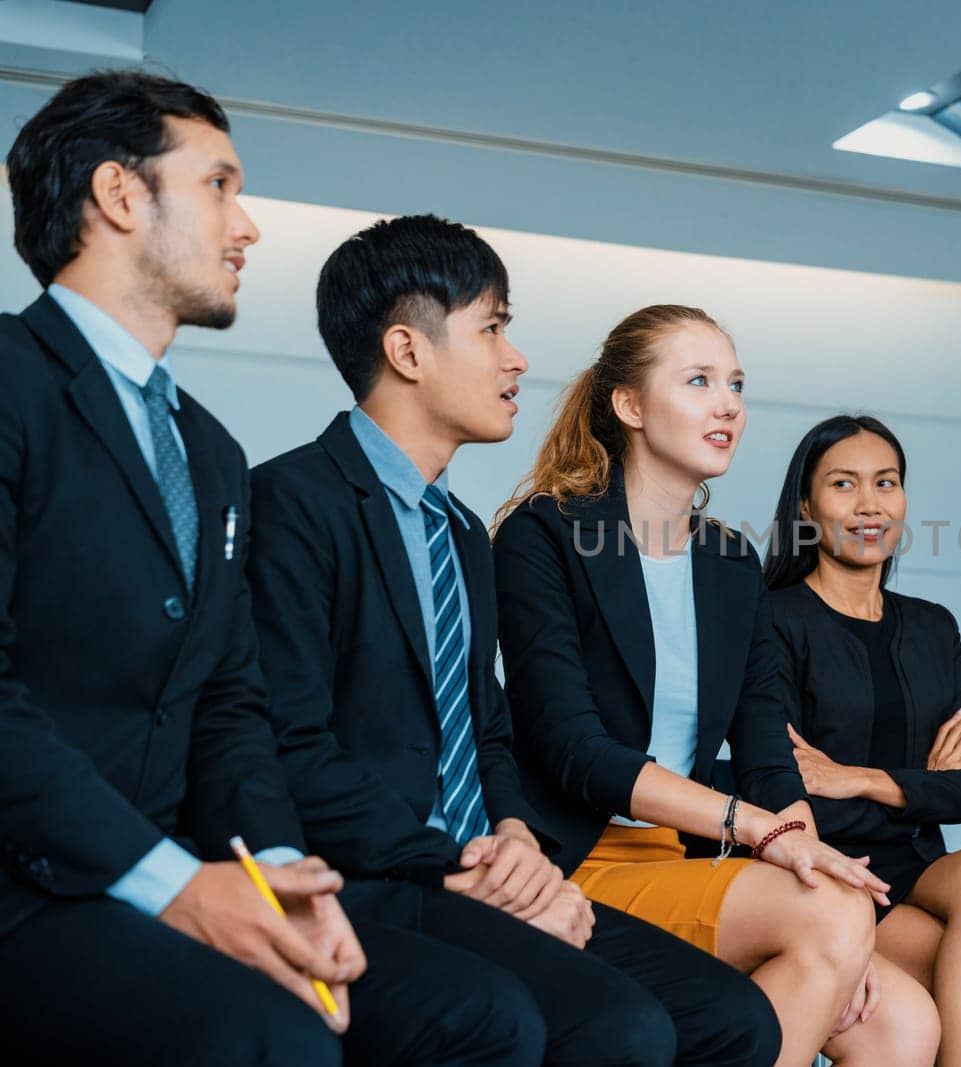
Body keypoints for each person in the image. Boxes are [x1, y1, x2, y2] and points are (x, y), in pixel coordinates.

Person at [0, 72, 538, 1063]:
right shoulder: (11, 383)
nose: (245, 226)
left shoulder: (206, 450)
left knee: (483, 1017)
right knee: (278, 1039)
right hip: (33, 884)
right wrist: (179, 882)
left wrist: (281, 875)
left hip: (181, 868)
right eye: (219, 186)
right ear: (121, 196)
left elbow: (229, 704)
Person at [245, 213, 781, 1066]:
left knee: (737, 1020)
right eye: (493, 327)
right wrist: (467, 865)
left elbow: (487, 731)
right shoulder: (293, 503)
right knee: (618, 1026)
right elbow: (290, 747)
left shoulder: (460, 530)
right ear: (408, 352)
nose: (518, 358)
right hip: (374, 875)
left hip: (480, 860)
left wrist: (521, 844)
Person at [494, 304, 920, 1066]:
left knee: (903, 1023)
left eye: (735, 383)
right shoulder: (545, 534)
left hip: (683, 861)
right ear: (629, 405)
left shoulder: (729, 562)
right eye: (698, 381)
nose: (728, 403)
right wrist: (759, 830)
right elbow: (574, 749)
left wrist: (814, 865)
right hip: (574, 859)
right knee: (833, 926)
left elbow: (765, 751)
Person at [763, 413, 961, 1065]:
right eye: (844, 484)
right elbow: (789, 787)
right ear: (807, 506)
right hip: (826, 877)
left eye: (887, 482)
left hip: (914, 871)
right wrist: (928, 786)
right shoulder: (775, 619)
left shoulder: (932, 626)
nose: (870, 503)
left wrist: (865, 777)